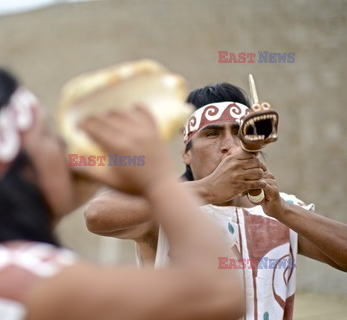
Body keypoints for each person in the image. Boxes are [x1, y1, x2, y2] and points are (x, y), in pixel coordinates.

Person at [0, 69, 245, 320]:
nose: (66, 148)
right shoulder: (24, 280)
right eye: (49, 136)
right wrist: (158, 181)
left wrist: (94, 172)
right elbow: (221, 292)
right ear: (13, 170)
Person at [85, 83, 347, 320]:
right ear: (186, 153)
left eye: (238, 132)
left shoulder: (282, 208)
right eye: (212, 134)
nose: (229, 145)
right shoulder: (168, 208)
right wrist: (208, 190)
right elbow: (96, 215)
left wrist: (283, 211)